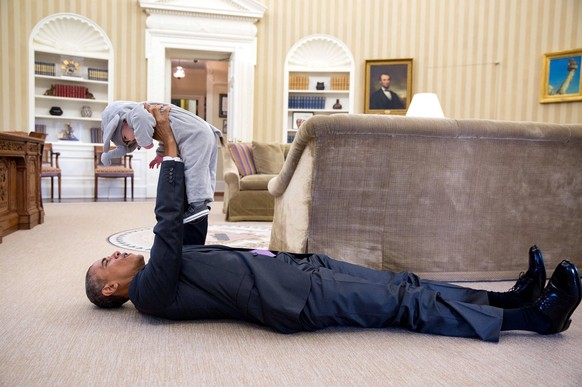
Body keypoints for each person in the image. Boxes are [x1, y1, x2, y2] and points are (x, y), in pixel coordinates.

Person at [85, 105, 582, 342]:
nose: (114, 256)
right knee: (403, 304)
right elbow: (168, 226)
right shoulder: (150, 294)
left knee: (404, 282)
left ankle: (509, 298)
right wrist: (167, 144)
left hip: (297, 270)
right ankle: (533, 319)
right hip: (295, 299)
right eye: (106, 264)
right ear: (112, 292)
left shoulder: (165, 270)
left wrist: (182, 155)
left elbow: (189, 214)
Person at [100, 101, 222, 223]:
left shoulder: (137, 113)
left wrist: (145, 142)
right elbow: (169, 131)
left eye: (125, 138)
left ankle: (198, 205)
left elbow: (142, 118)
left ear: (123, 122)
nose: (131, 141)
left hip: (194, 135)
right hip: (204, 131)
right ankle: (205, 203)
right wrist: (160, 155)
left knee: (194, 170)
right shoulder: (155, 116)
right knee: (206, 169)